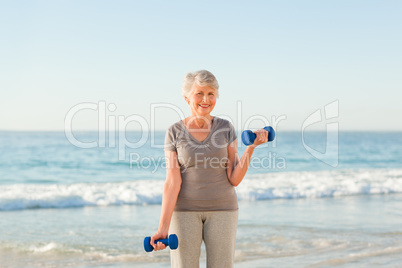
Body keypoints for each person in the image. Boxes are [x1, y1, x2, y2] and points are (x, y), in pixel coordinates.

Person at [150, 70, 268, 268]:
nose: (206, 99)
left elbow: (234, 178)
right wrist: (163, 228)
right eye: (199, 93)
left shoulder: (226, 127)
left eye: (211, 94)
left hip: (223, 210)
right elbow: (172, 182)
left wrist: (251, 147)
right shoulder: (174, 132)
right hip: (184, 212)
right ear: (187, 97)